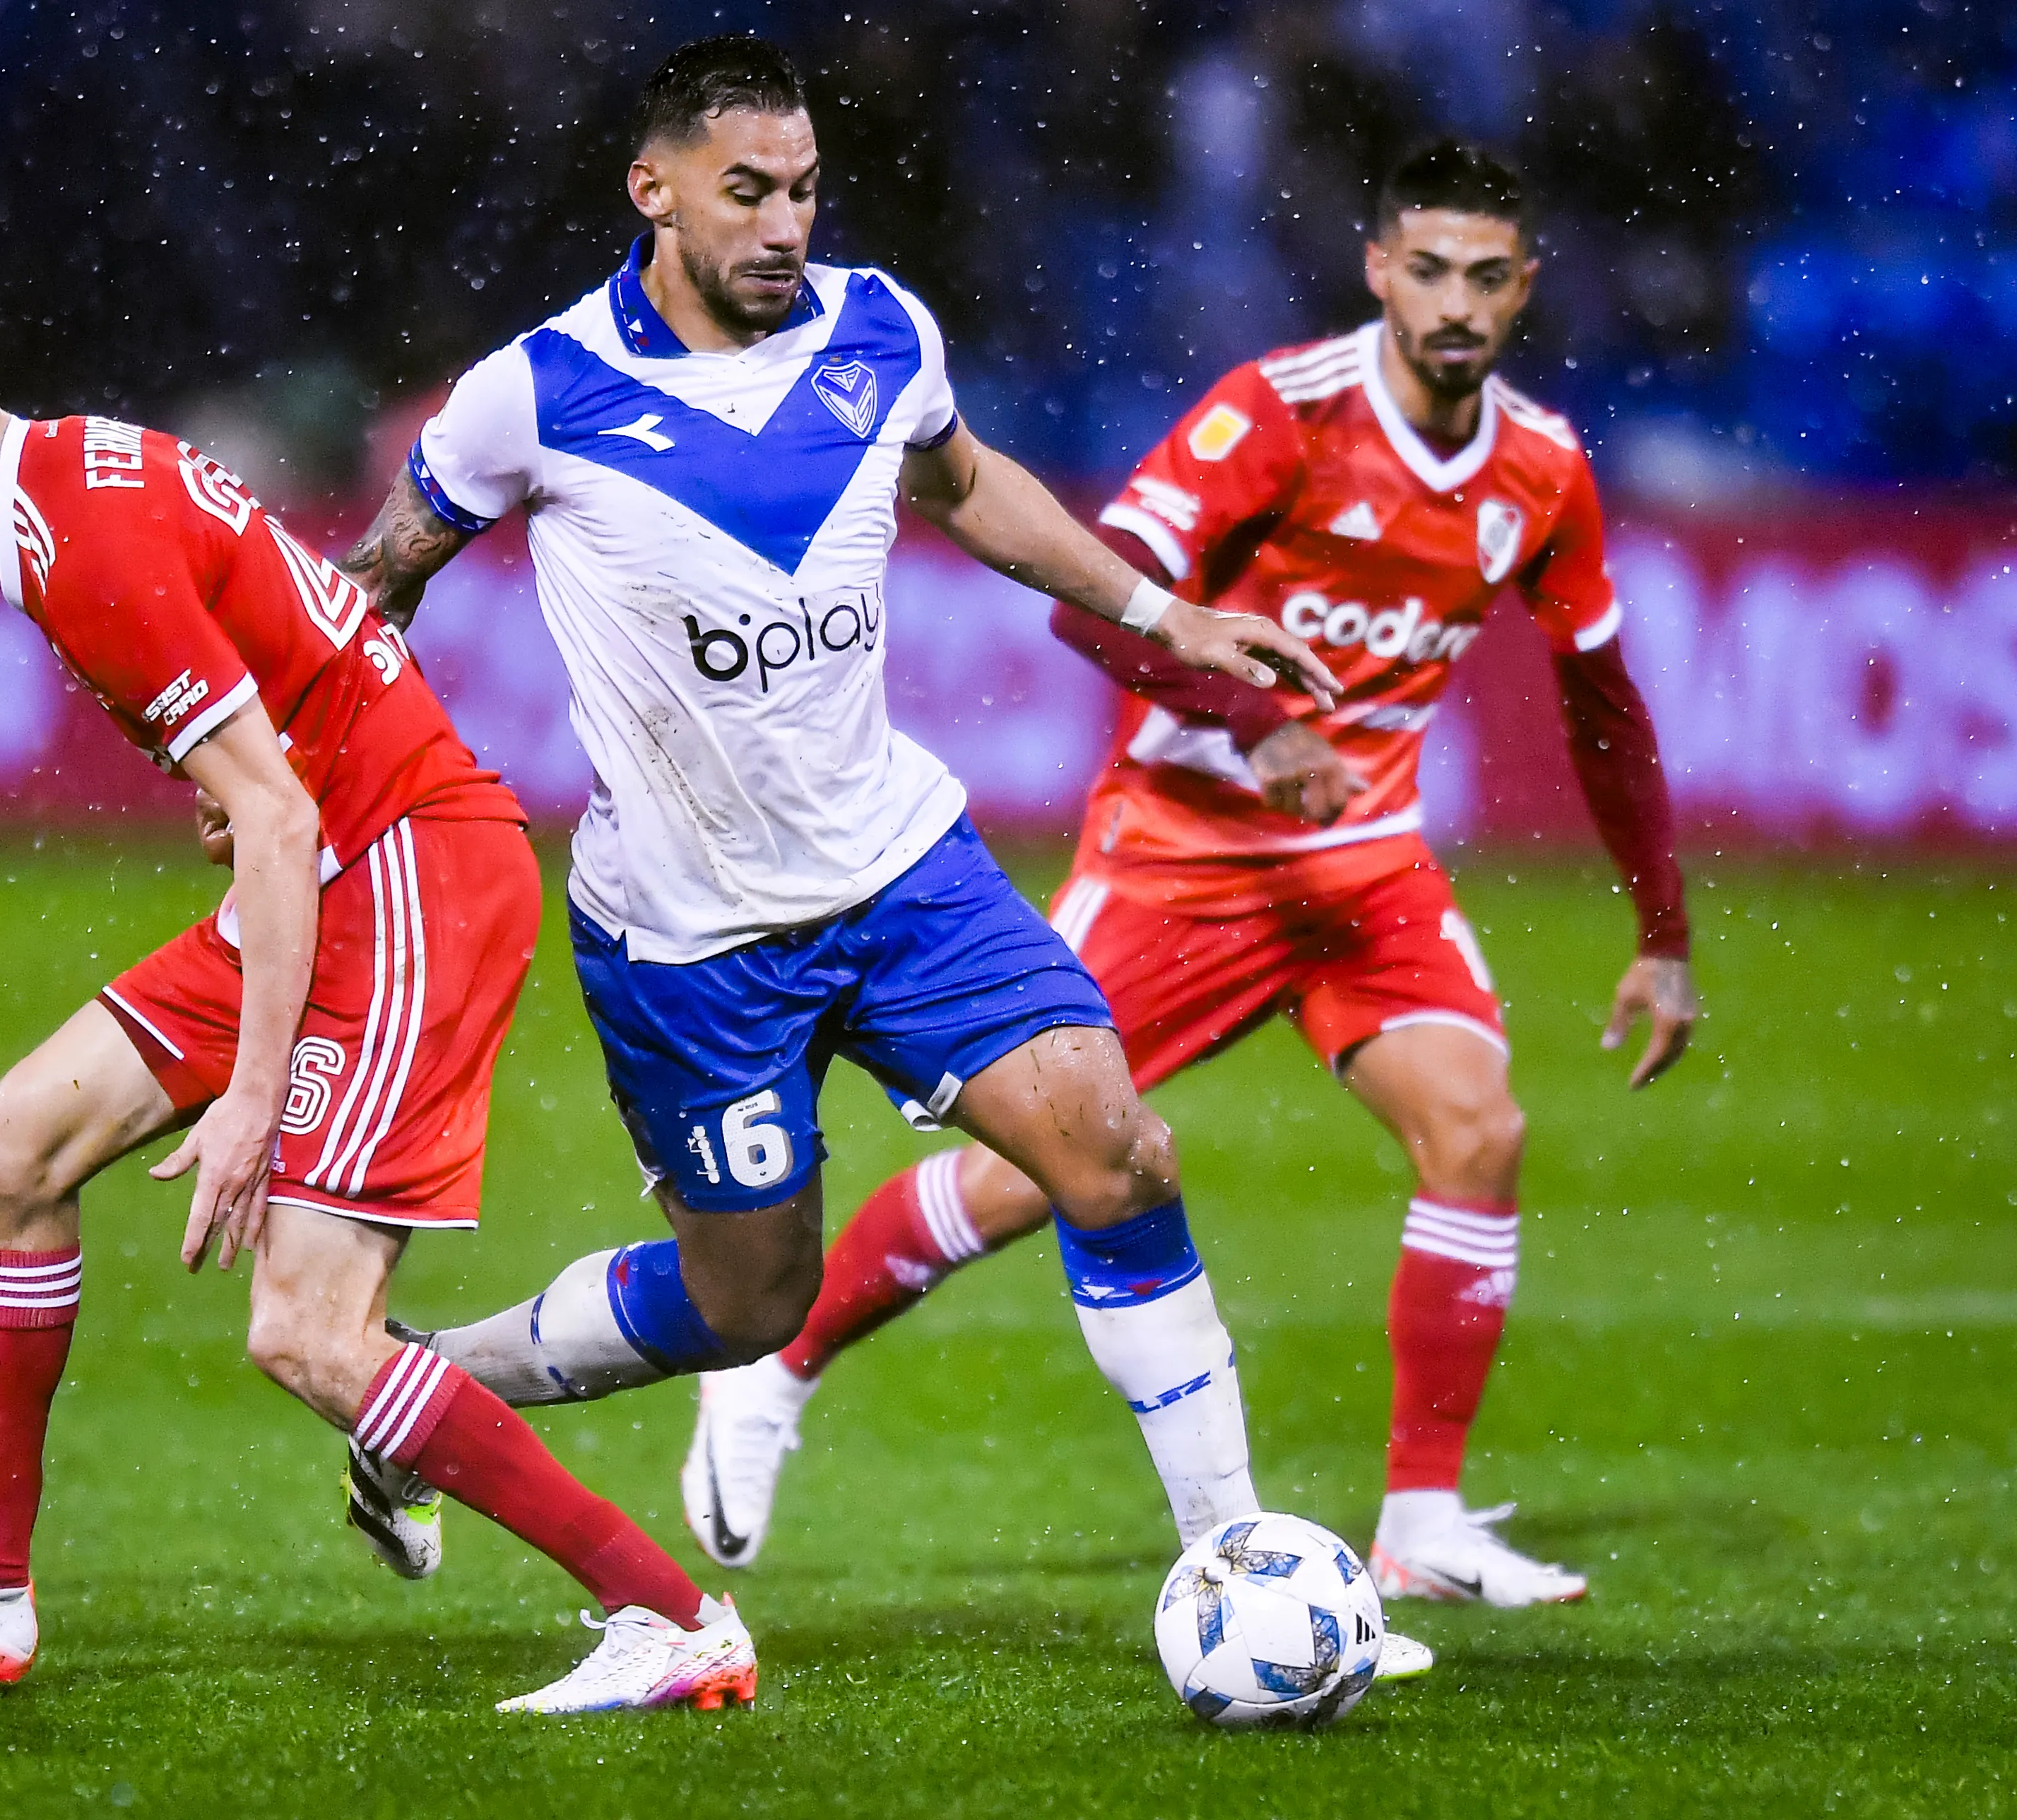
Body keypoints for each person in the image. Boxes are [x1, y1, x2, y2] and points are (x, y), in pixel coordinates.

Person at [334, 35, 1351, 1603]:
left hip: (900, 875)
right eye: (744, 192)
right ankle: (423, 1391)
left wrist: (1169, 617)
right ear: (650, 190)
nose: (782, 224)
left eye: (803, 190)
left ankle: (1233, 1558)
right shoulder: (533, 393)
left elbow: (963, 484)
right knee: (748, 1302)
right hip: (689, 940)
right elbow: (372, 588)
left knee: (1118, 1156)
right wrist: (285, 772)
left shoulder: (880, 329)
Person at [687, 139, 1698, 1610]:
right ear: (1376, 269)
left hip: (1361, 871)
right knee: (1033, 1175)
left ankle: (1420, 1518)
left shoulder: (1538, 467)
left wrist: (1660, 930)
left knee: (1476, 1130)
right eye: (1427, 268)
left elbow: (1601, 705)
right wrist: (1261, 722)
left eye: (1486, 274)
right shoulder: (1276, 418)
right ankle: (775, 1366)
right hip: (1182, 855)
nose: (1455, 302)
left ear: (1525, 285)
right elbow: (1096, 613)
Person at [0, 278, 754, 1715]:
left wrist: (254, 1102)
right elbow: (295, 651)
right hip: (337, 864)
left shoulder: (70, 544)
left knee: (306, 1330)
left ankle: (669, 1617)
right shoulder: (89, 460)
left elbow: (273, 823)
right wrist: (287, 765)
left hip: (400, 875)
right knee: (10, 1146)